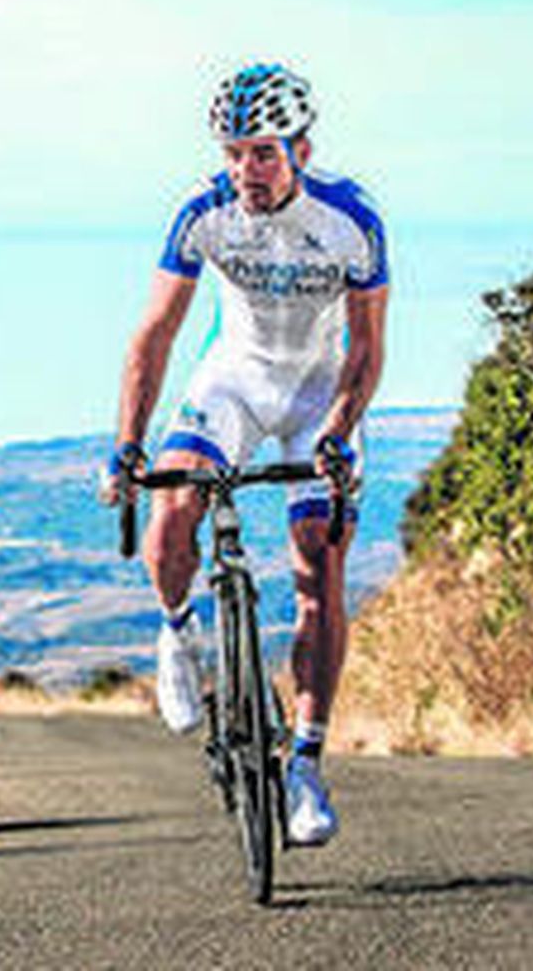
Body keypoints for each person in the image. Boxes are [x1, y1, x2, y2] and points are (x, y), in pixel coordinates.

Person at [98, 62, 388, 847]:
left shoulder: (350, 217)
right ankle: (177, 628)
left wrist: (336, 431)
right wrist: (128, 443)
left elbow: (366, 348)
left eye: (261, 152)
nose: (244, 170)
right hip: (235, 380)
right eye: (233, 152)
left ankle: (304, 763)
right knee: (171, 513)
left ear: (299, 146)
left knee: (315, 558)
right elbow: (155, 333)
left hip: (317, 393)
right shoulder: (204, 213)